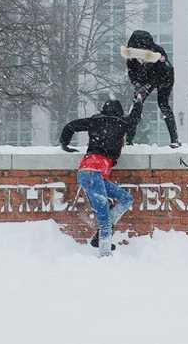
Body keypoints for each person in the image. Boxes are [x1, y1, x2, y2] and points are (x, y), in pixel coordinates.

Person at [59, 99, 137, 257]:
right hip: (92, 173)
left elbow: (70, 126)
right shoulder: (122, 123)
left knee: (126, 198)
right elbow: (136, 118)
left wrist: (64, 143)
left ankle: (102, 234)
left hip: (93, 173)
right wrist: (139, 101)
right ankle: (105, 253)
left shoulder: (95, 121)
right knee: (104, 217)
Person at [124, 30, 180, 148]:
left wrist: (148, 86)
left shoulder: (158, 51)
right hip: (144, 79)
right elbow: (131, 72)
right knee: (137, 104)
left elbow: (159, 72)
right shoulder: (131, 55)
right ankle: (128, 139)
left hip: (165, 77)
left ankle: (174, 139)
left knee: (163, 104)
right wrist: (137, 84)